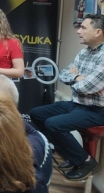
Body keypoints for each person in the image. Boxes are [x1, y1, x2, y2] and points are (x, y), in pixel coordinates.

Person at [29, 14, 104, 181]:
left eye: (83, 27)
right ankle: (72, 156)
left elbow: (88, 86)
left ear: (98, 31)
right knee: (36, 113)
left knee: (53, 124)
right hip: (78, 103)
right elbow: (63, 75)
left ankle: (86, 162)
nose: (78, 31)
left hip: (98, 110)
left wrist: (78, 80)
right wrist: (78, 78)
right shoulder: (84, 53)